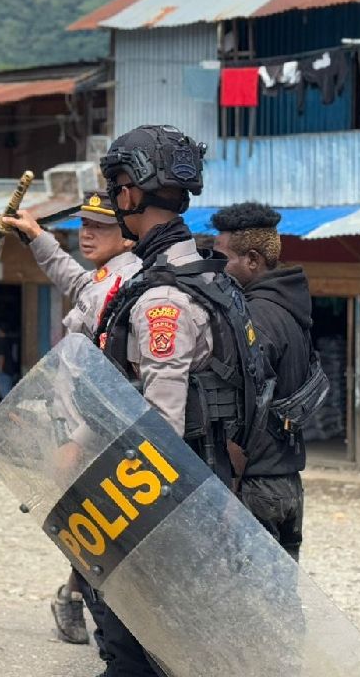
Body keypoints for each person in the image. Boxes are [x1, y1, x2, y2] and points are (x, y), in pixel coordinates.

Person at [95, 124, 268, 677]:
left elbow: (161, 424)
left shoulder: (163, 296)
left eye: (116, 187)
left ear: (129, 194)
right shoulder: (210, 278)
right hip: (209, 476)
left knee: (136, 633)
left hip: (167, 486)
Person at [3, 193, 139, 652]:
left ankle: (89, 612)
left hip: (99, 432)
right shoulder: (106, 278)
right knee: (87, 522)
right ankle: (75, 599)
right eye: (84, 224)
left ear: (127, 234)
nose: (86, 233)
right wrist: (39, 237)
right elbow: (75, 280)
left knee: (99, 527)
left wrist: (79, 439)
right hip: (79, 424)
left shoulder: (133, 281)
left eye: (99, 227)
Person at [212, 202, 316, 561]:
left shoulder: (254, 316)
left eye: (223, 257)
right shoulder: (292, 309)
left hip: (255, 484)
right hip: (286, 482)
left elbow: (252, 397)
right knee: (281, 598)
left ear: (252, 259)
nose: (217, 267)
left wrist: (234, 478)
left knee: (250, 605)